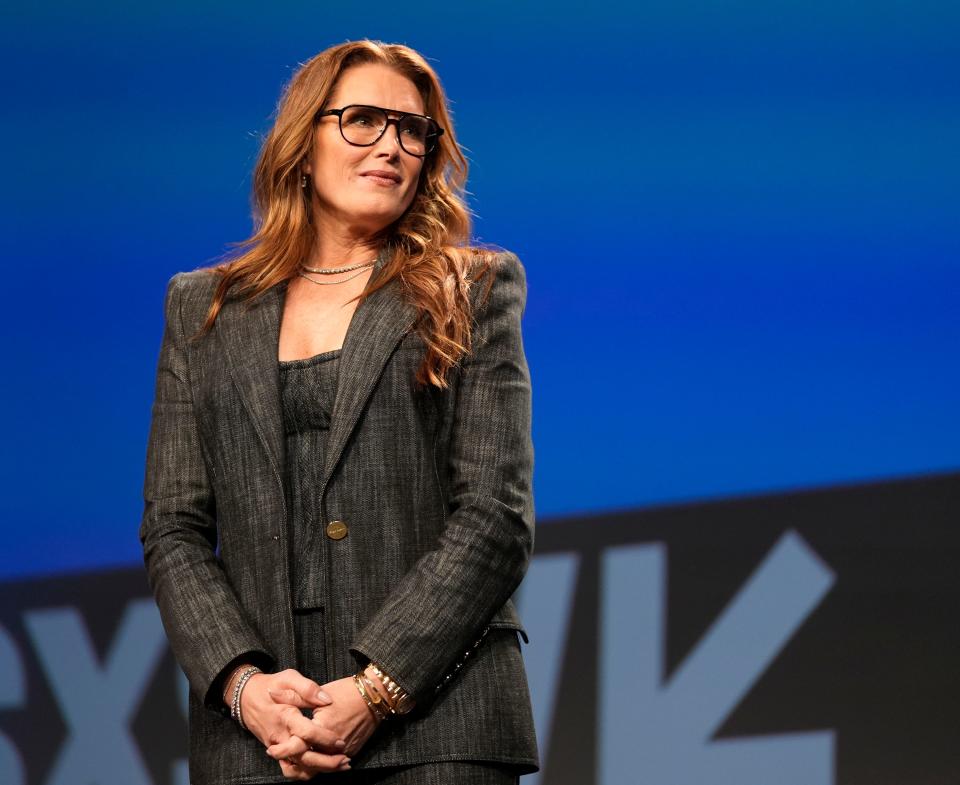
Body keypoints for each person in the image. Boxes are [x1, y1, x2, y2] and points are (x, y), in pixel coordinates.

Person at [140, 39, 538, 784]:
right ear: (303, 142)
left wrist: (377, 688)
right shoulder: (204, 307)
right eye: (362, 119)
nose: (391, 145)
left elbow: (495, 514)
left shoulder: (474, 287)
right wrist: (244, 686)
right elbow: (174, 528)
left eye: (413, 130)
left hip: (437, 728)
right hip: (260, 742)